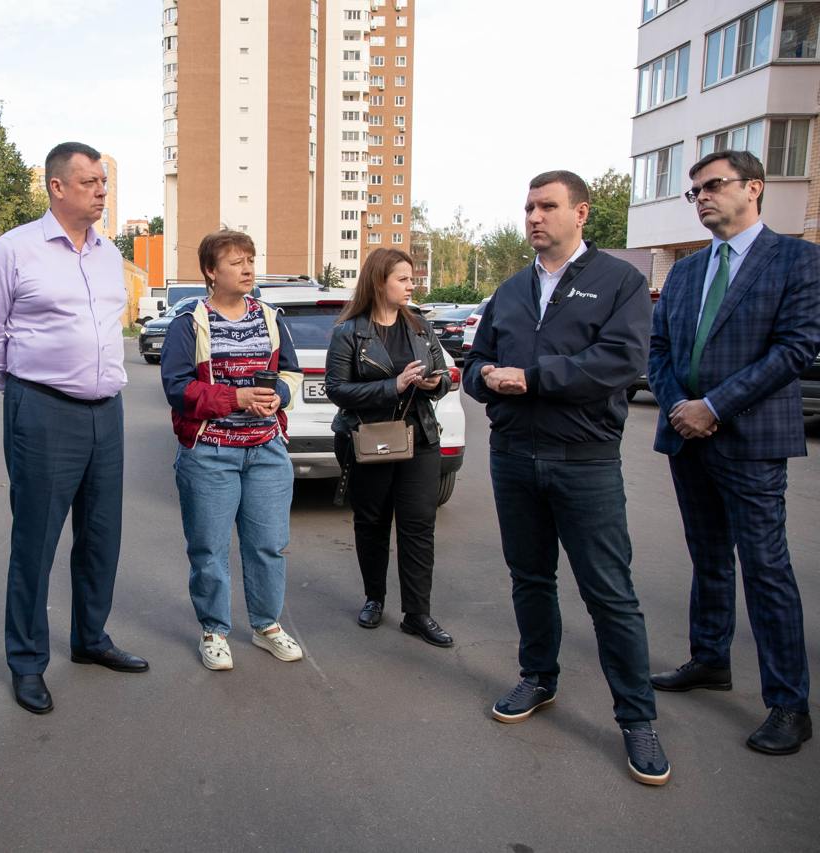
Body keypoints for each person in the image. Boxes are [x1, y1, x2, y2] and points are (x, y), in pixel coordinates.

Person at [463, 170, 671, 786]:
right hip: (513, 456)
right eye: (528, 206)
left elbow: (621, 361)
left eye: (547, 206)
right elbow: (475, 362)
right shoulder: (510, 289)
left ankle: (637, 719)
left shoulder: (619, 281)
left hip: (584, 461)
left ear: (581, 213)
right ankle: (538, 677)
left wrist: (532, 379)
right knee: (530, 578)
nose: (534, 216)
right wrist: (487, 381)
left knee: (609, 593)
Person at [648, 150, 820, 755]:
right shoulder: (687, 272)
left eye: (712, 185)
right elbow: (659, 351)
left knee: (766, 567)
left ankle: (789, 704)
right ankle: (710, 659)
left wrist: (714, 407)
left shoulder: (797, 259)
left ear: (754, 188)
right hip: (686, 436)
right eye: (694, 191)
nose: (701, 197)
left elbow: (795, 349)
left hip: (750, 440)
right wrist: (679, 406)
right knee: (709, 556)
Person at [0, 141, 148, 715]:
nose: (101, 191)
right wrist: (26, 394)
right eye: (89, 182)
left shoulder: (109, 254)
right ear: (56, 187)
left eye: (104, 182)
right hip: (43, 409)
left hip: (107, 410)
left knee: (102, 535)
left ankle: (90, 638)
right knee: (36, 541)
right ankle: (27, 661)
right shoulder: (13, 250)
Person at [160, 230, 305, 670]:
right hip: (209, 454)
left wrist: (278, 396)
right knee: (209, 549)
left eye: (250, 260)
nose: (247, 269)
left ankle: (266, 625)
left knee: (268, 546)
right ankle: (214, 630)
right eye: (236, 262)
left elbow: (291, 374)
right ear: (211, 271)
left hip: (266, 452)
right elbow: (177, 388)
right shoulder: (189, 322)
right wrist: (235, 398)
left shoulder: (271, 318)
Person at [324, 248, 453, 646]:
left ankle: (417, 614)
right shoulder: (350, 332)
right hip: (371, 437)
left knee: (419, 525)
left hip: (420, 438)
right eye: (404, 279)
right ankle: (374, 599)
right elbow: (337, 389)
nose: (412, 285)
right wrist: (392, 386)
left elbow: (444, 373)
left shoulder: (419, 326)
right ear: (380, 282)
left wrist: (436, 382)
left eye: (412, 278)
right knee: (372, 522)